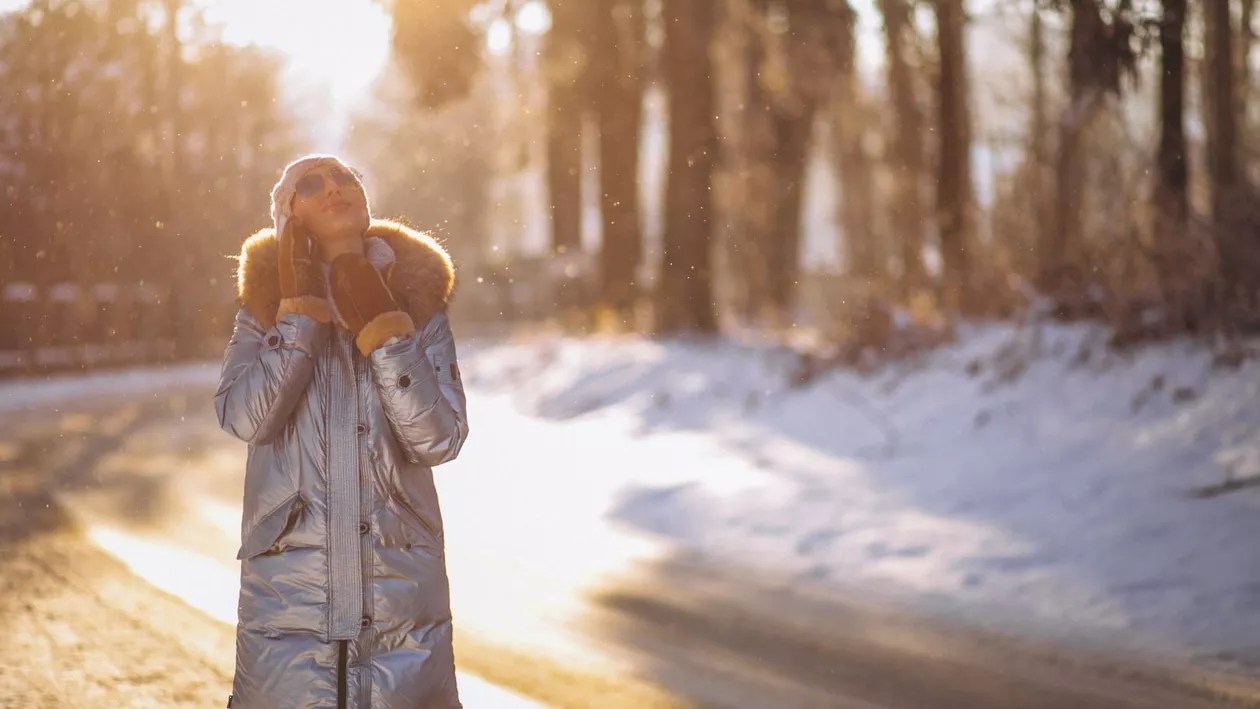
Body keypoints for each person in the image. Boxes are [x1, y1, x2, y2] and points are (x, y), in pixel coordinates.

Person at [215, 154, 469, 709]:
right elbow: (245, 417)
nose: (334, 187)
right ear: (290, 215)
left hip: (401, 591)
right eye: (311, 184)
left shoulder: (417, 305)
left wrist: (386, 330)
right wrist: (299, 315)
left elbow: (440, 438)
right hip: (289, 602)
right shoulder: (263, 312)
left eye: (346, 178)